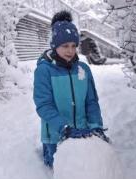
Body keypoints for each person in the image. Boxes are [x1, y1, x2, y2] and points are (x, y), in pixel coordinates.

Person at [33, 10, 104, 168]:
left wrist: (96, 126)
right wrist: (64, 128)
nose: (70, 50)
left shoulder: (83, 69)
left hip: (83, 133)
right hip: (55, 136)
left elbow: (91, 101)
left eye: (74, 46)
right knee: (62, 172)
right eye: (65, 46)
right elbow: (44, 105)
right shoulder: (44, 71)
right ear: (54, 45)